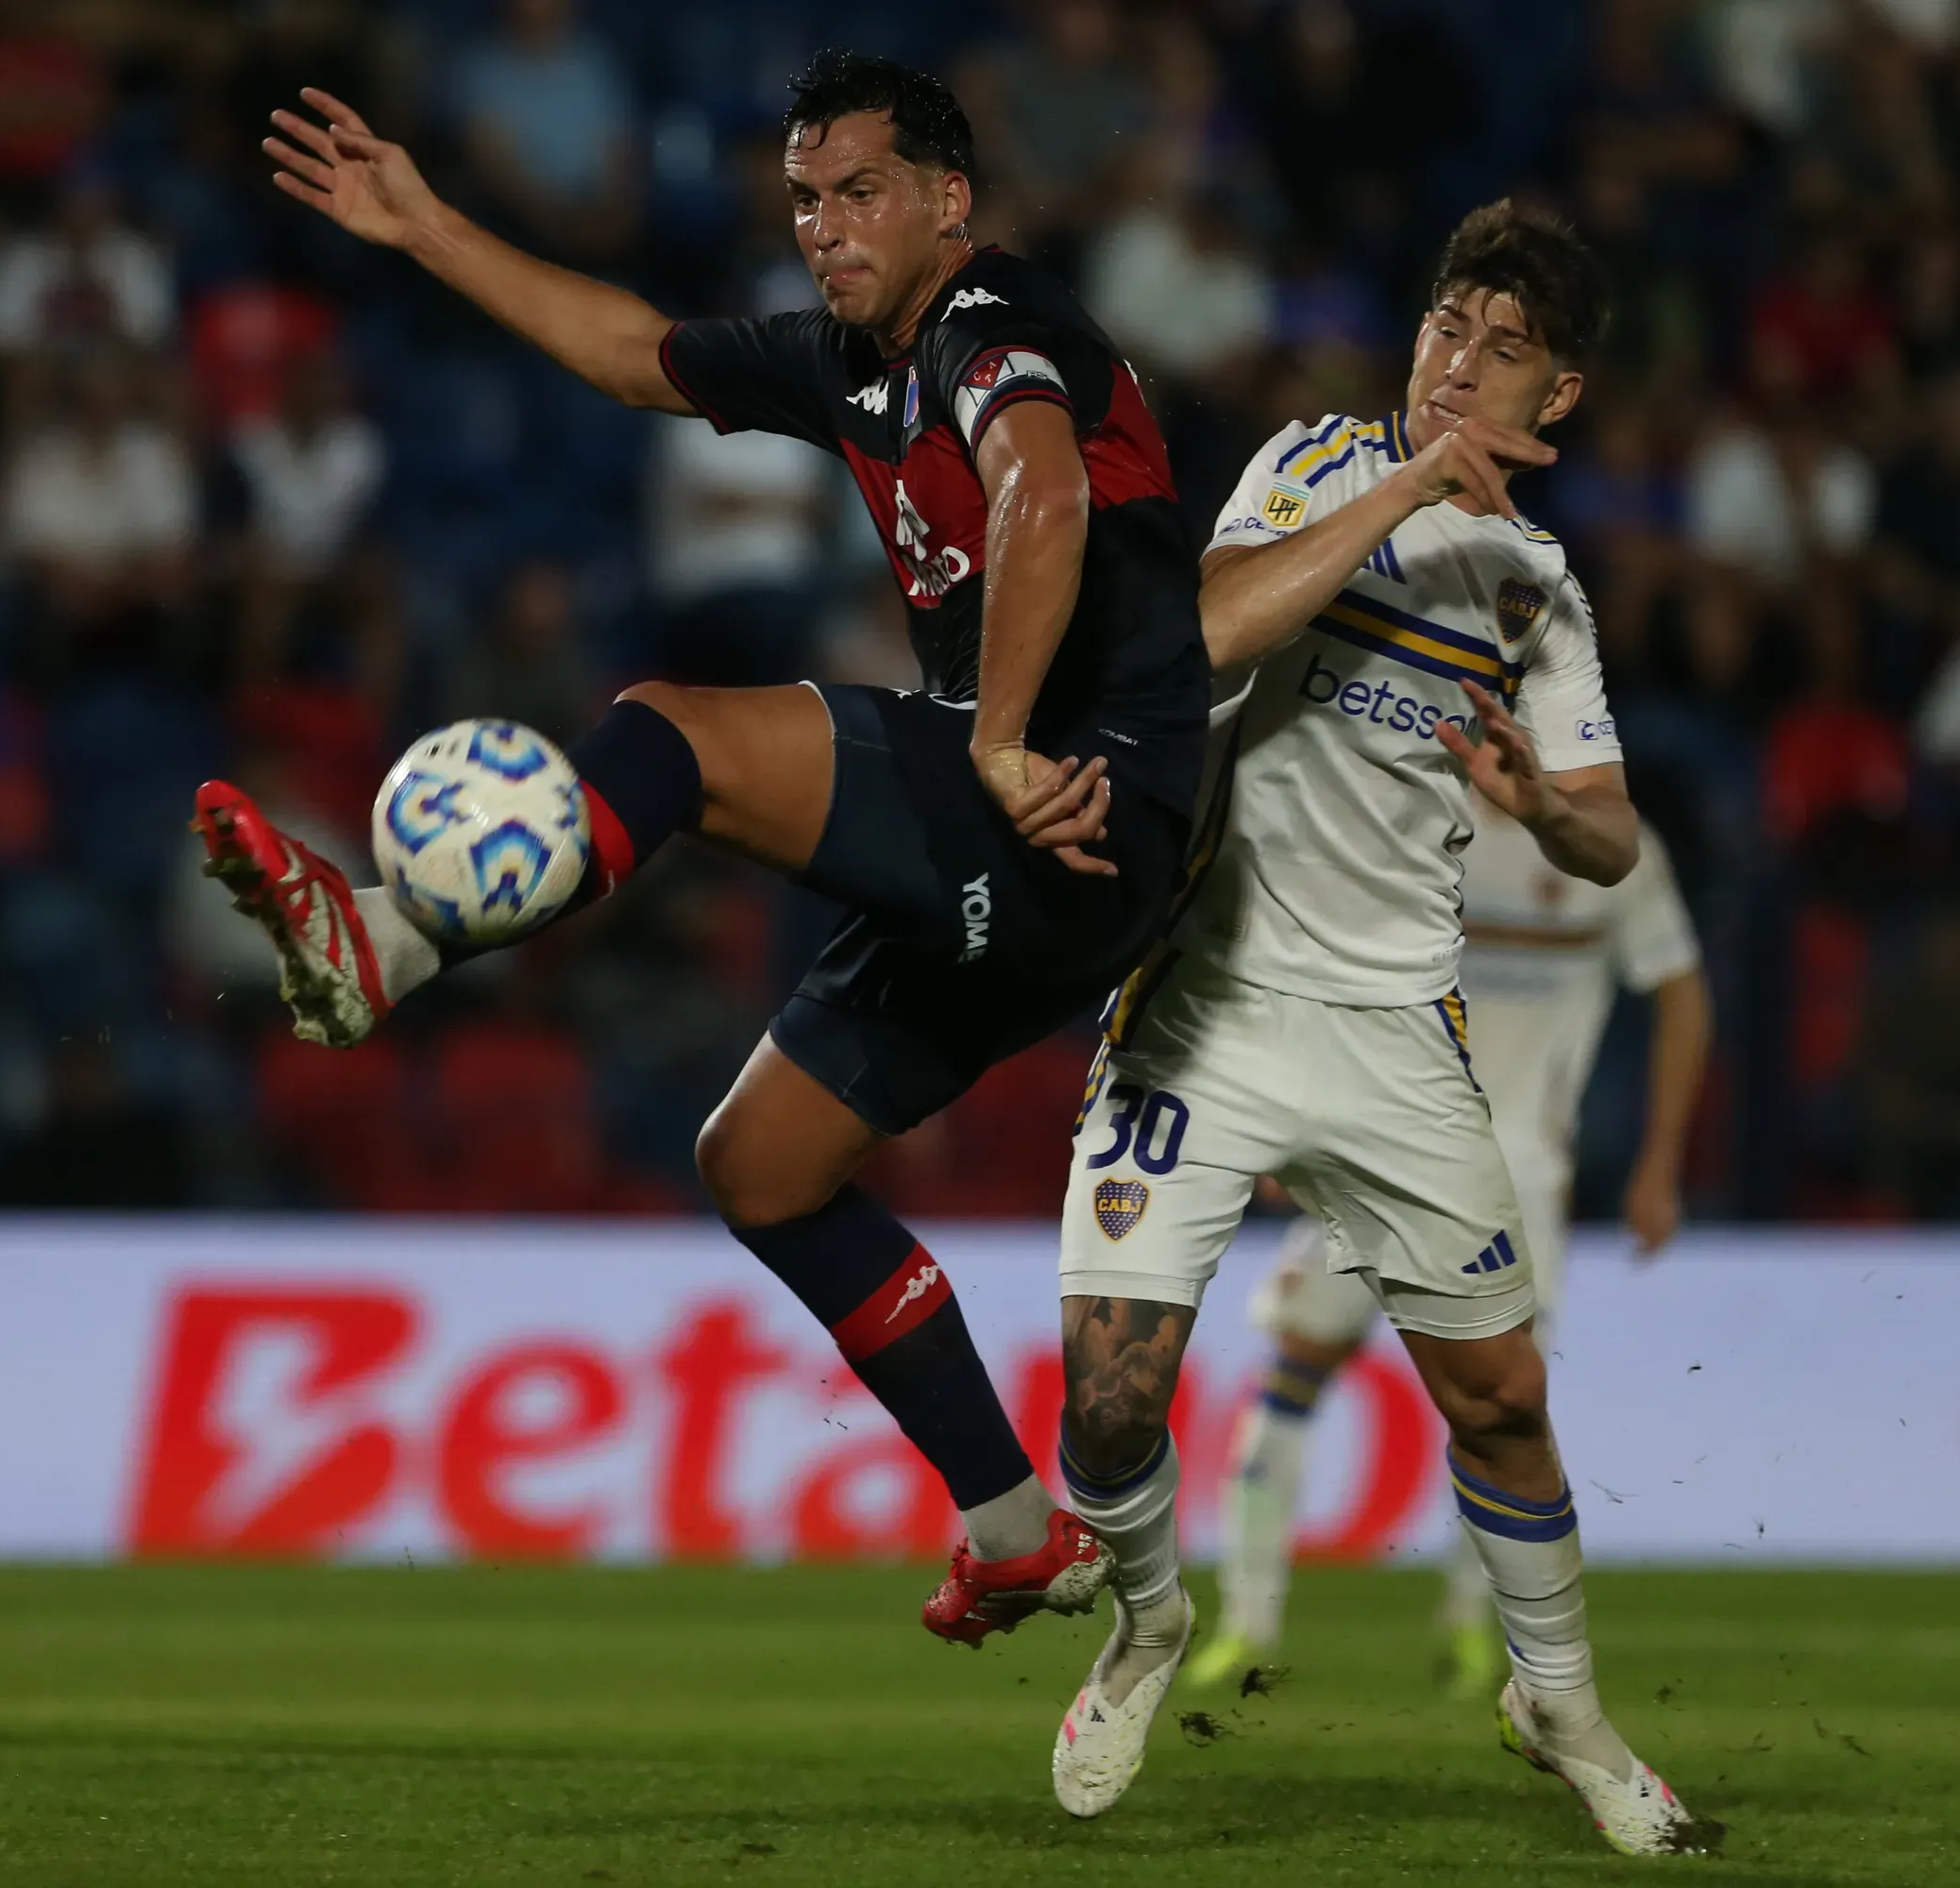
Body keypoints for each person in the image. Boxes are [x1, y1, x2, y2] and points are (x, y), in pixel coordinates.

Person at [199, 55, 1208, 1645]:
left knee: (673, 732)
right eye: (804, 198)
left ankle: (391, 939)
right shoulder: (855, 363)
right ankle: (1016, 1528)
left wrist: (1004, 738)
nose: (824, 227)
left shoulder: (993, 327)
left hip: (1080, 798)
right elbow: (628, 353)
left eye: (860, 191)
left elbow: (1046, 494)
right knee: (767, 1165)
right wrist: (427, 226)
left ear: (950, 200)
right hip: (1052, 864)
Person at [1039, 202, 1717, 1855]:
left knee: (1501, 1402)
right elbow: (1201, 632)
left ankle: (1555, 1697)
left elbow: (1616, 837)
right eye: (1443, 324)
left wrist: (1542, 812)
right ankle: (1147, 1622)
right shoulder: (1312, 461)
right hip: (1206, 1006)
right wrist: (1411, 482)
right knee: (1113, 1400)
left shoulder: (1539, 588)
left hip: (1396, 1035)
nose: (1452, 362)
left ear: (1556, 400)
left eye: (1499, 348)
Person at [1185, 790, 1710, 1698]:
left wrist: (1660, 1163)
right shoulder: (1412, 811)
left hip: (1519, 1181)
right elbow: (1311, 961)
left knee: (1502, 1414)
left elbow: (1683, 992)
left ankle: (1472, 1629)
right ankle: (1248, 1623)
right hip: (1381, 1147)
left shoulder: (1612, 843)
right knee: (1296, 1368)